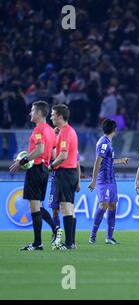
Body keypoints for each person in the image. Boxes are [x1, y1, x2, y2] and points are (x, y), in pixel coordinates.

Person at [9, 100, 60, 251]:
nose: (30, 113)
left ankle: (40, 241)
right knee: (37, 206)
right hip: (44, 169)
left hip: (36, 169)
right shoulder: (50, 130)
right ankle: (51, 232)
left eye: (32, 110)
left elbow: (39, 150)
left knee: (34, 207)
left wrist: (22, 161)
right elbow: (52, 153)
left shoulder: (38, 130)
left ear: (38, 113)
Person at [88, 119, 129, 245]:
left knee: (112, 205)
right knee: (103, 205)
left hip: (111, 180)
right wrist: (94, 180)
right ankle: (93, 235)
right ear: (115, 130)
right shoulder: (104, 143)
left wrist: (120, 161)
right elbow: (97, 161)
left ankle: (109, 237)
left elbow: (108, 161)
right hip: (103, 180)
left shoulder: (108, 143)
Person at [48, 104, 79, 250]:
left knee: (66, 207)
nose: (51, 117)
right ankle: (72, 242)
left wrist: (51, 166)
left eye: (53, 114)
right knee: (70, 208)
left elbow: (63, 155)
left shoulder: (66, 132)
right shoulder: (67, 131)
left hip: (65, 172)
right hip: (71, 172)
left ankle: (68, 243)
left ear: (60, 116)